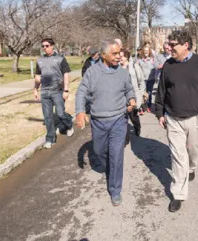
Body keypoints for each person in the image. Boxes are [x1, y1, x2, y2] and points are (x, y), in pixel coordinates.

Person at [155, 30, 198, 213]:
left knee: (193, 150)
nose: (169, 47)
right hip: (174, 119)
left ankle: (192, 168)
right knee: (177, 156)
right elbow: (161, 92)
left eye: (173, 44)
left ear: (186, 45)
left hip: (197, 118)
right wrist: (160, 112)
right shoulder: (168, 65)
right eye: (169, 43)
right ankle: (178, 194)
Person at [75, 39, 136, 206]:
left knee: (116, 154)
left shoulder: (123, 72)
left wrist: (131, 99)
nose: (119, 56)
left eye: (119, 53)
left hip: (118, 120)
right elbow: (81, 92)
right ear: (103, 55)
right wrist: (80, 111)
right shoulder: (92, 72)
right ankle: (110, 167)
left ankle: (115, 190)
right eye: (115, 54)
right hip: (98, 121)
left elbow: (129, 88)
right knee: (99, 150)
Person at [34, 38, 74, 149]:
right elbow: (37, 77)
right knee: (47, 116)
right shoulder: (40, 60)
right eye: (43, 46)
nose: (44, 48)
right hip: (45, 92)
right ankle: (50, 139)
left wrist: (66, 90)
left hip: (57, 91)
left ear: (52, 46)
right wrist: (35, 89)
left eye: (46, 46)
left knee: (60, 113)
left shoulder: (60, 59)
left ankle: (69, 125)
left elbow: (66, 75)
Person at [120, 48, 144, 138]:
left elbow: (141, 82)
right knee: (123, 118)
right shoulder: (116, 67)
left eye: (122, 56)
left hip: (133, 96)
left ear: (126, 57)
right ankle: (125, 138)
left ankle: (137, 127)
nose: (120, 58)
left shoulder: (134, 66)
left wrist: (140, 96)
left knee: (133, 117)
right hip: (121, 97)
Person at [138, 45, 156, 112]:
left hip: (151, 79)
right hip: (143, 79)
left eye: (147, 51)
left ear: (149, 52)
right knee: (142, 93)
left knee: (149, 93)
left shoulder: (153, 59)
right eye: (144, 50)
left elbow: (156, 68)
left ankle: (149, 106)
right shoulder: (140, 59)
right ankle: (142, 107)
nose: (146, 52)